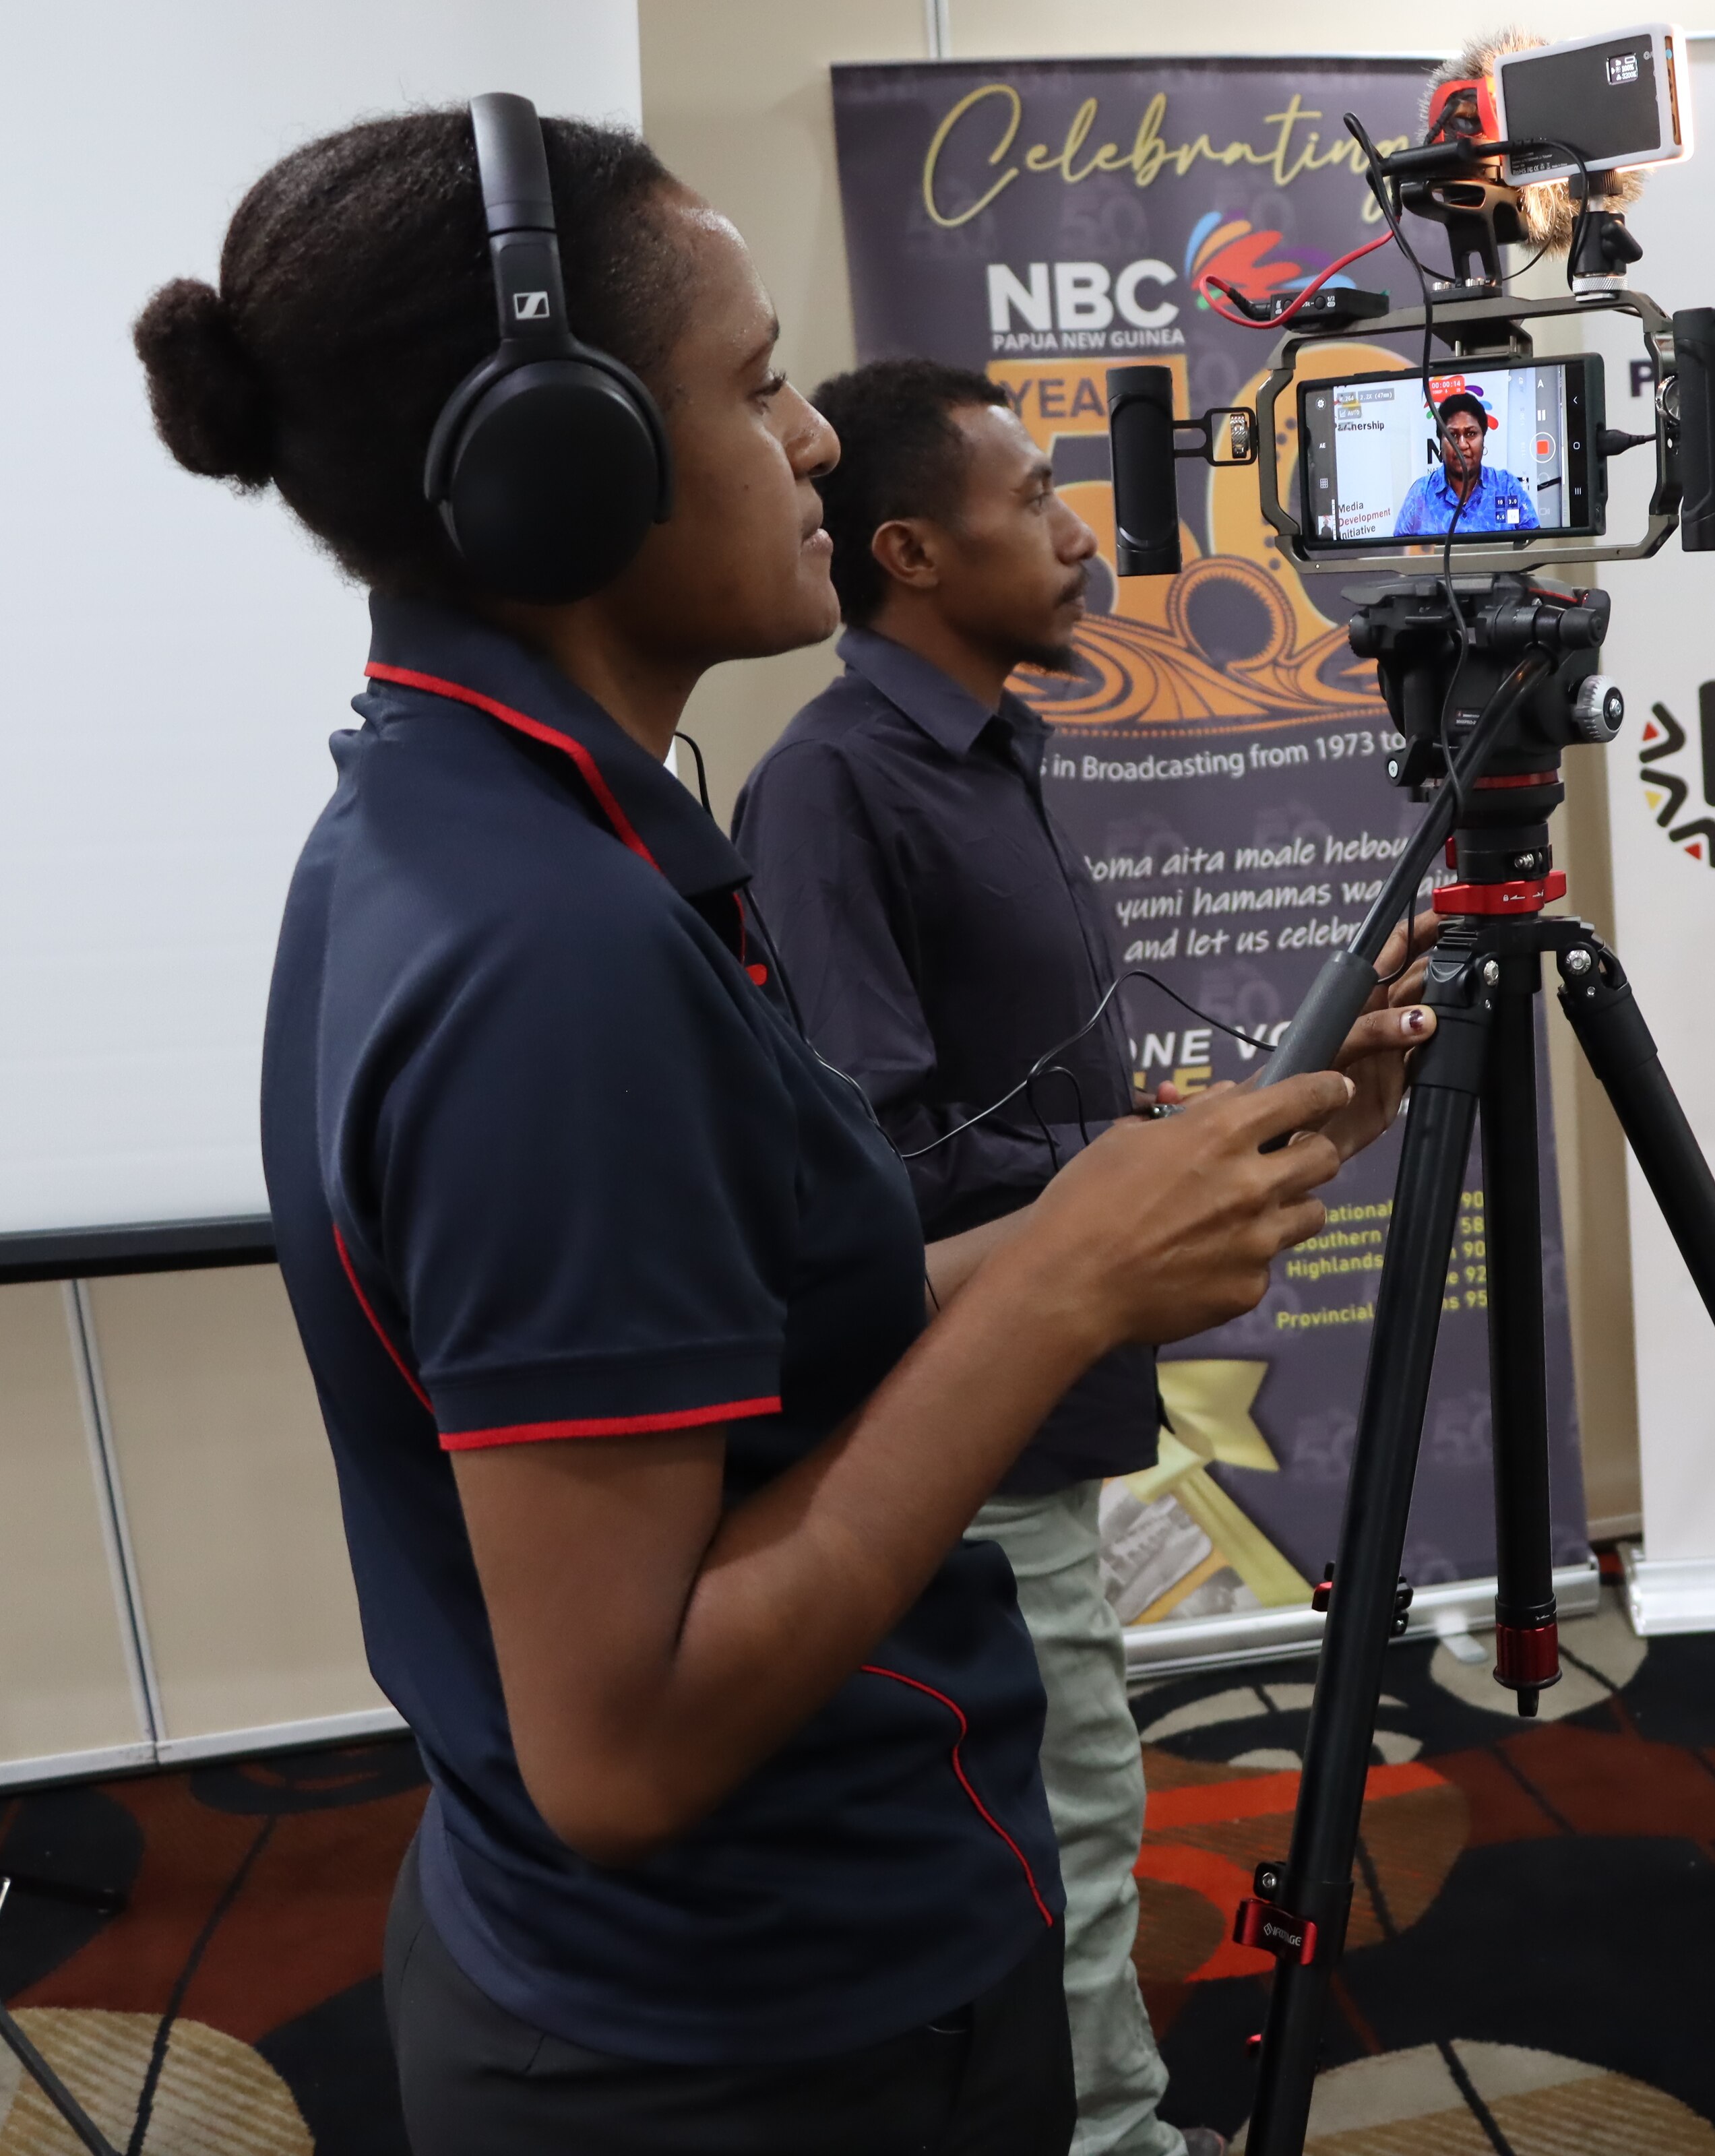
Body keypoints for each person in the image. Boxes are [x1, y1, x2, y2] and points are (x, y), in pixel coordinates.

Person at [135, 109, 1428, 2154]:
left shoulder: (499, 825)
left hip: (747, 1974)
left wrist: (1163, 1193)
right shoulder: (543, 956)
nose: (816, 438)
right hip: (750, 2046)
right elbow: (620, 1741)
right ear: (561, 466)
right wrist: (1061, 1287)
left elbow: (770, 1344)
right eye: (750, 388)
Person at [730, 358, 1435, 2156]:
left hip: (1039, 1416)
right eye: (1027, 497)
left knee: (1077, 1822)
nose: (1075, 533)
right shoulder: (835, 792)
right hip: (957, 1436)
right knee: (1073, 1840)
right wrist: (1146, 1171)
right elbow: (877, 1178)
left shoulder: (982, 758)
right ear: (907, 550)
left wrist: (1291, 1112)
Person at [1392, 391, 1539, 536]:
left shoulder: (1506, 486)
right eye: (1452, 435)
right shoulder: (1420, 494)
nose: (1462, 445)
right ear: (1440, 443)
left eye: (1471, 434)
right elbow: (1399, 557)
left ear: (1483, 440)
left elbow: (1536, 547)